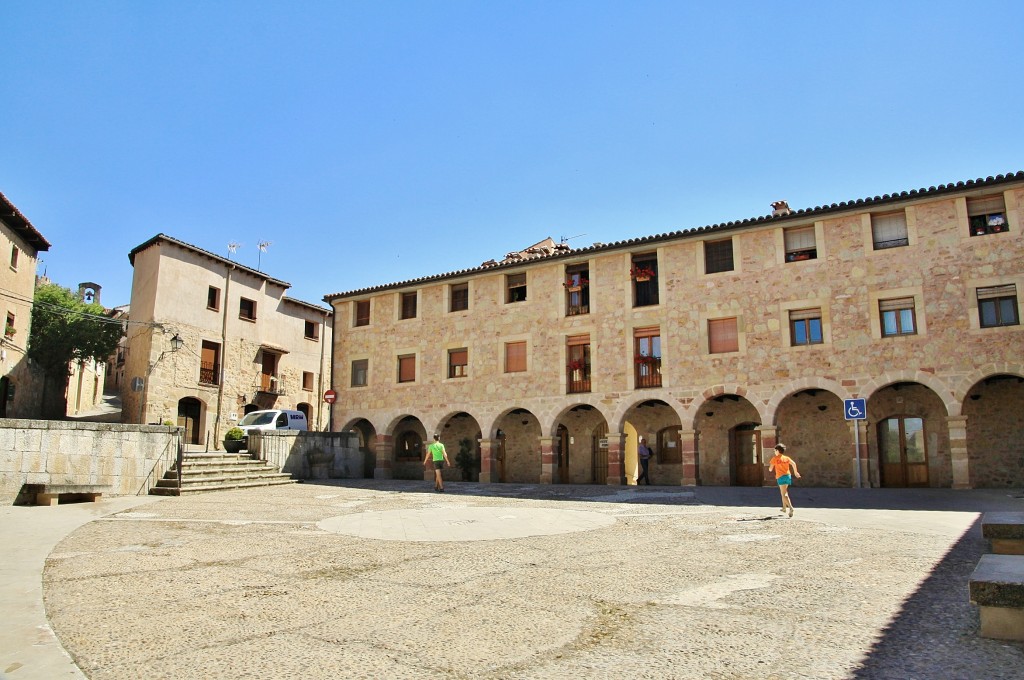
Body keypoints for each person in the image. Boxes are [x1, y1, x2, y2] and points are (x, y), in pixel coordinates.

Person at [768, 443, 801, 517]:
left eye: (774, 451)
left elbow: (770, 469)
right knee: (783, 492)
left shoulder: (774, 459)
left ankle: (791, 508)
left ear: (777, 450)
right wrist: (795, 472)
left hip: (780, 477)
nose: (774, 452)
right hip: (788, 476)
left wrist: (770, 469)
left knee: (784, 494)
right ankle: (784, 508)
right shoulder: (786, 458)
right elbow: (793, 463)